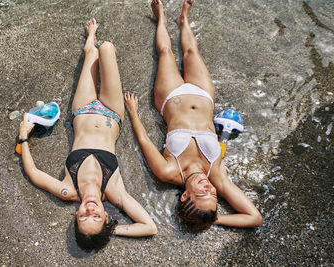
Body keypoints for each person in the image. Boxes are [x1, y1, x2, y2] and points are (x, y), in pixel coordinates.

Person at [18, 18, 157, 251]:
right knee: (107, 48)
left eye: (83, 217)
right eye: (96, 218)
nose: (90, 211)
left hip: (81, 110)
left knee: (92, 51)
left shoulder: (68, 190)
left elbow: (33, 173)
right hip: (112, 111)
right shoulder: (114, 192)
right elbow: (149, 226)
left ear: (76, 217)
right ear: (105, 217)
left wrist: (23, 137)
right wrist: (111, 230)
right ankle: (99, 49)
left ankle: (89, 40)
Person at [124, 0, 262, 229]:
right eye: (214, 196)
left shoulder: (168, 171)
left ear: (185, 196)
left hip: (170, 97)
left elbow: (144, 140)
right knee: (191, 51)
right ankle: (184, 19)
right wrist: (212, 219)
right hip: (204, 95)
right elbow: (255, 218)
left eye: (202, 194)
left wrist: (133, 112)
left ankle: (160, 18)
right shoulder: (216, 175)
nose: (209, 188)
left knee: (165, 52)